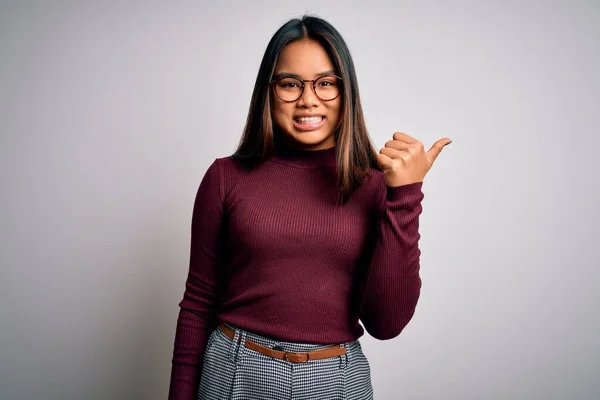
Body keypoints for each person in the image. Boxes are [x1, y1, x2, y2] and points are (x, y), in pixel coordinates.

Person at [168, 15, 450, 400]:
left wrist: (405, 195)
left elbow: (387, 323)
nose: (308, 99)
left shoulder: (374, 185)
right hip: (234, 373)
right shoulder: (225, 177)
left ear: (346, 91)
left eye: (326, 83)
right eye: (290, 84)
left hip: (336, 380)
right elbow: (198, 305)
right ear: (268, 91)